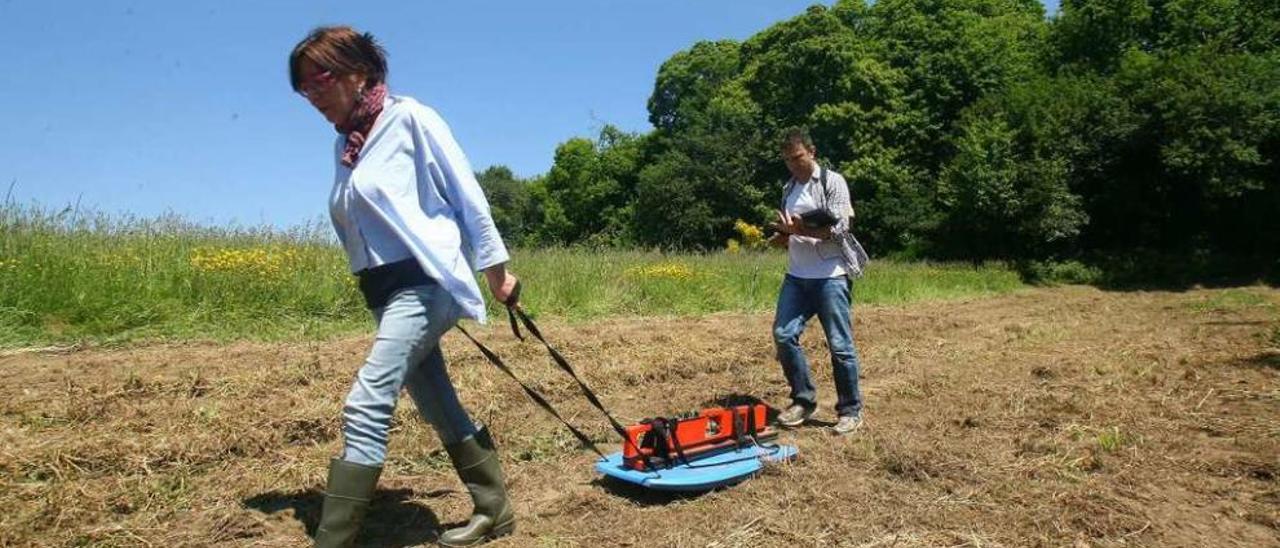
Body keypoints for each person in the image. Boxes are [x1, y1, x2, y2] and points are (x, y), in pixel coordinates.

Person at [289, 26, 517, 547]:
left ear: (358, 71)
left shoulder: (410, 118)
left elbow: (468, 195)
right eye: (304, 88)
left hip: (424, 284)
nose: (313, 95)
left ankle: (334, 540)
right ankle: (495, 509)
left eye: (319, 79)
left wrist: (497, 272)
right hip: (385, 292)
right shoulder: (346, 145)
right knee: (438, 403)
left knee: (367, 400)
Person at [768, 127, 869, 436]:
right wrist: (781, 237)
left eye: (797, 157)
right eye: (787, 160)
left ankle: (850, 410)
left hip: (831, 276)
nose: (793, 165)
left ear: (811, 152)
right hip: (797, 276)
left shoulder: (832, 181)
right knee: (784, 335)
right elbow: (791, 234)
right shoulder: (788, 189)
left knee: (840, 346)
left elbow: (840, 229)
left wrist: (800, 230)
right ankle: (803, 400)